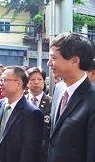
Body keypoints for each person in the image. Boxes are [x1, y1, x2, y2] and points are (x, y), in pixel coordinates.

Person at [47, 32, 95, 162]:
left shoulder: (92, 100)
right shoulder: (58, 89)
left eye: (54, 58)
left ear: (75, 60)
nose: (49, 63)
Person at [0, 66, 44, 162]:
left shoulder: (32, 113)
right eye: (1, 80)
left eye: (4, 80)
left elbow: (29, 152)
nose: (0, 83)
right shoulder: (0, 104)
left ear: (19, 84)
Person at [25, 67, 52, 162]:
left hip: (44, 149)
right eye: (32, 79)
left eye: (40, 79)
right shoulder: (21, 101)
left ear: (44, 82)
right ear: (27, 82)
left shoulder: (51, 102)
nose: (36, 82)